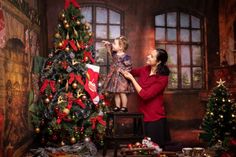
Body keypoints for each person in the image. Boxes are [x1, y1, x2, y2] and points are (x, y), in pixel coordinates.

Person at [121, 48, 171, 147]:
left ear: (159, 61)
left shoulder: (162, 78)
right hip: (143, 116)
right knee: (141, 149)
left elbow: (145, 95)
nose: (148, 56)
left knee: (154, 150)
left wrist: (132, 79)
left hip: (155, 119)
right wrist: (115, 56)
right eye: (149, 54)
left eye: (151, 56)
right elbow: (131, 71)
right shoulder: (145, 69)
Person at [102, 36, 134, 112]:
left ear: (121, 47)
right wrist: (108, 44)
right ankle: (117, 106)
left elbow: (129, 66)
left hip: (122, 77)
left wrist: (124, 72)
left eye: (114, 43)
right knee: (116, 92)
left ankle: (124, 107)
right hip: (114, 76)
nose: (113, 45)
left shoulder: (125, 57)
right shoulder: (114, 54)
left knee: (122, 92)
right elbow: (110, 49)